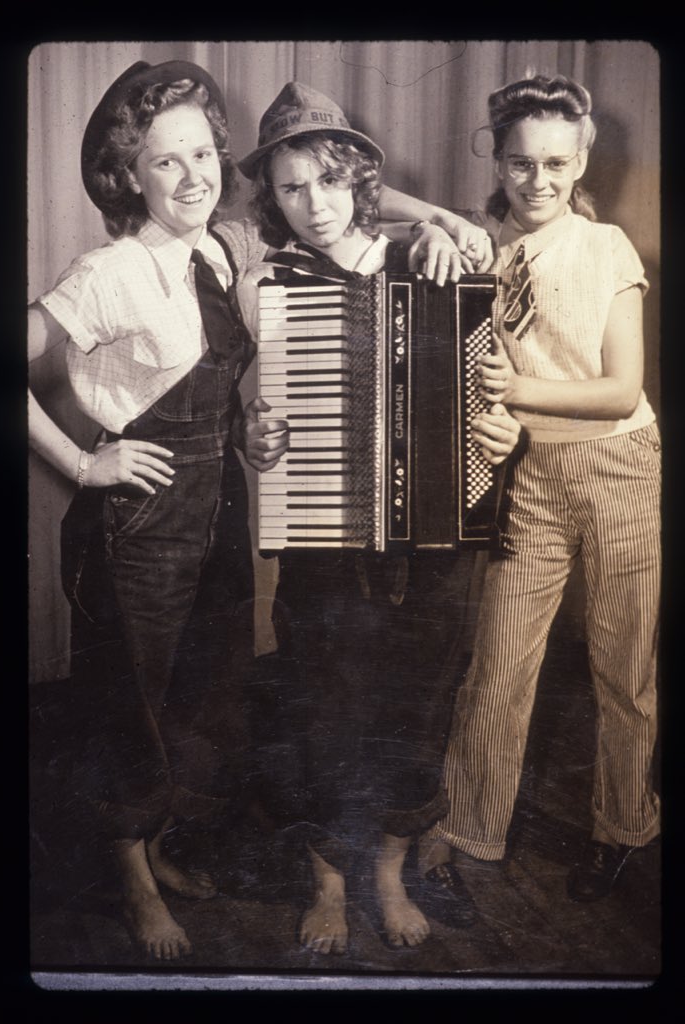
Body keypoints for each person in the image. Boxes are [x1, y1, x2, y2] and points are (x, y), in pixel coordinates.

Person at [28, 62, 496, 960]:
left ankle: (162, 851)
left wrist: (444, 220)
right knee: (133, 702)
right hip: (143, 518)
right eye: (166, 161)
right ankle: (136, 880)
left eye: (202, 155)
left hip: (222, 511)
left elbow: (339, 188)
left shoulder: (229, 244)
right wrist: (86, 462)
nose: (191, 176)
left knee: (204, 698)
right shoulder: (163, 259)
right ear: (131, 175)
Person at [235, 82, 521, 953]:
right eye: (290, 188)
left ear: (360, 180)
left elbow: (494, 386)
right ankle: (328, 881)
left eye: (329, 180)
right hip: (326, 538)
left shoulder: (429, 258)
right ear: (271, 197)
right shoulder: (269, 284)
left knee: (419, 705)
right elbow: (266, 422)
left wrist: (501, 430)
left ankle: (390, 873)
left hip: (435, 542)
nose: (313, 205)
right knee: (323, 710)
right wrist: (260, 442)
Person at [421, 74, 661, 911]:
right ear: (498, 160)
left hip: (619, 466)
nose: (539, 180)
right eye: (522, 162)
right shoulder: (479, 242)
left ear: (582, 161)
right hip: (527, 475)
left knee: (622, 670)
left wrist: (516, 390)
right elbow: (373, 206)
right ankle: (467, 826)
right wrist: (438, 223)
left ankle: (623, 828)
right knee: (498, 666)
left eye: (557, 163)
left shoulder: (606, 248)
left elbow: (620, 391)